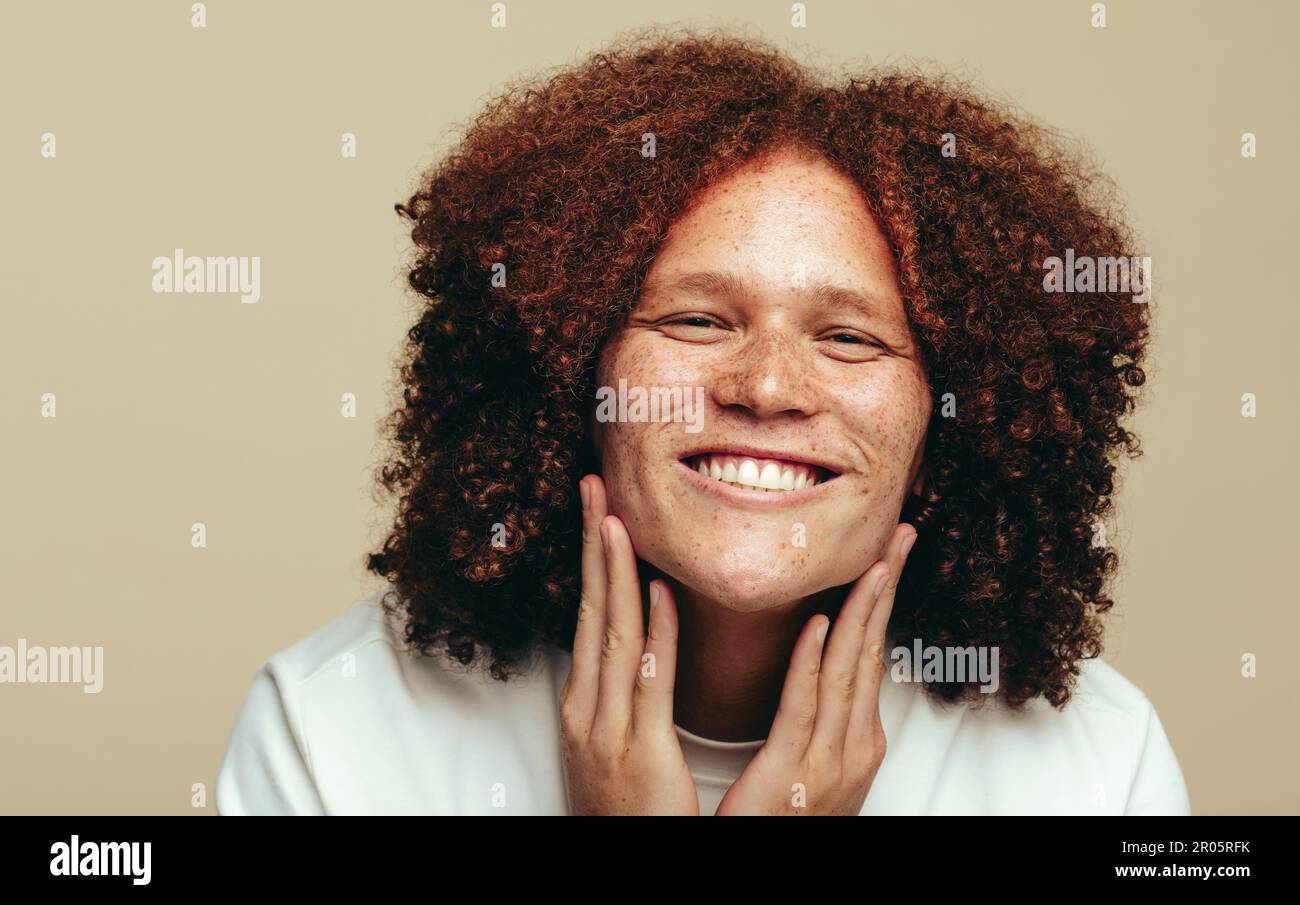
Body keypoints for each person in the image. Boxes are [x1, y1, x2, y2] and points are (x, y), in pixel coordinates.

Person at [216, 29, 1190, 815]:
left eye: (849, 338)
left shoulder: (1098, 768)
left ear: (952, 418)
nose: (766, 386)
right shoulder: (333, 727)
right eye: (695, 318)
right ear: (570, 370)